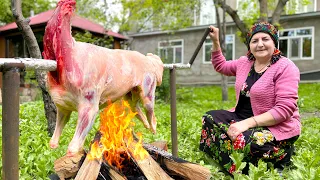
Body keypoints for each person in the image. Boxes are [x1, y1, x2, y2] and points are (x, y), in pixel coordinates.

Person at [199, 22, 301, 175]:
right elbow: (221, 66)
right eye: (254, 40)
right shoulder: (245, 62)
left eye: (265, 39)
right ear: (249, 45)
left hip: (274, 125)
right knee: (209, 118)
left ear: (274, 42)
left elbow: (284, 110)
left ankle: (281, 156)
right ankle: (237, 162)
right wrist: (215, 42)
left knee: (248, 142)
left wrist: (246, 124)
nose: (260, 44)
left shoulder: (286, 67)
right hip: (243, 117)